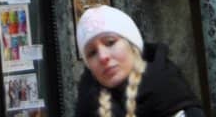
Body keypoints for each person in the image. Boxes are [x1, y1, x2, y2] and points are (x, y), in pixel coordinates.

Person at [74, 6, 204, 117]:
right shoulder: (86, 105)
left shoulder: (170, 95)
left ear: (132, 45)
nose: (103, 57)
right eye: (92, 53)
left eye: (110, 42)